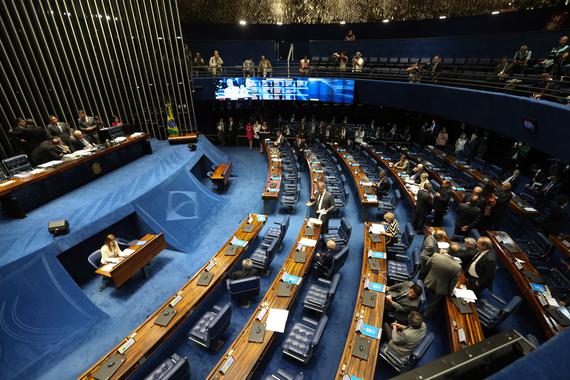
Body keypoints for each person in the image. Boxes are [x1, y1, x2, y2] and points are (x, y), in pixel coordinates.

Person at [423, 248, 461, 318]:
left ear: (448, 250)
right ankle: (426, 315)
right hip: (441, 288)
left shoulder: (436, 255)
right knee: (433, 303)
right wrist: (449, 292)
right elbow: (453, 282)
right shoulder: (458, 267)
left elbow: (427, 266)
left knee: (423, 296)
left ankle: (418, 308)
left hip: (429, 281)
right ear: (457, 255)